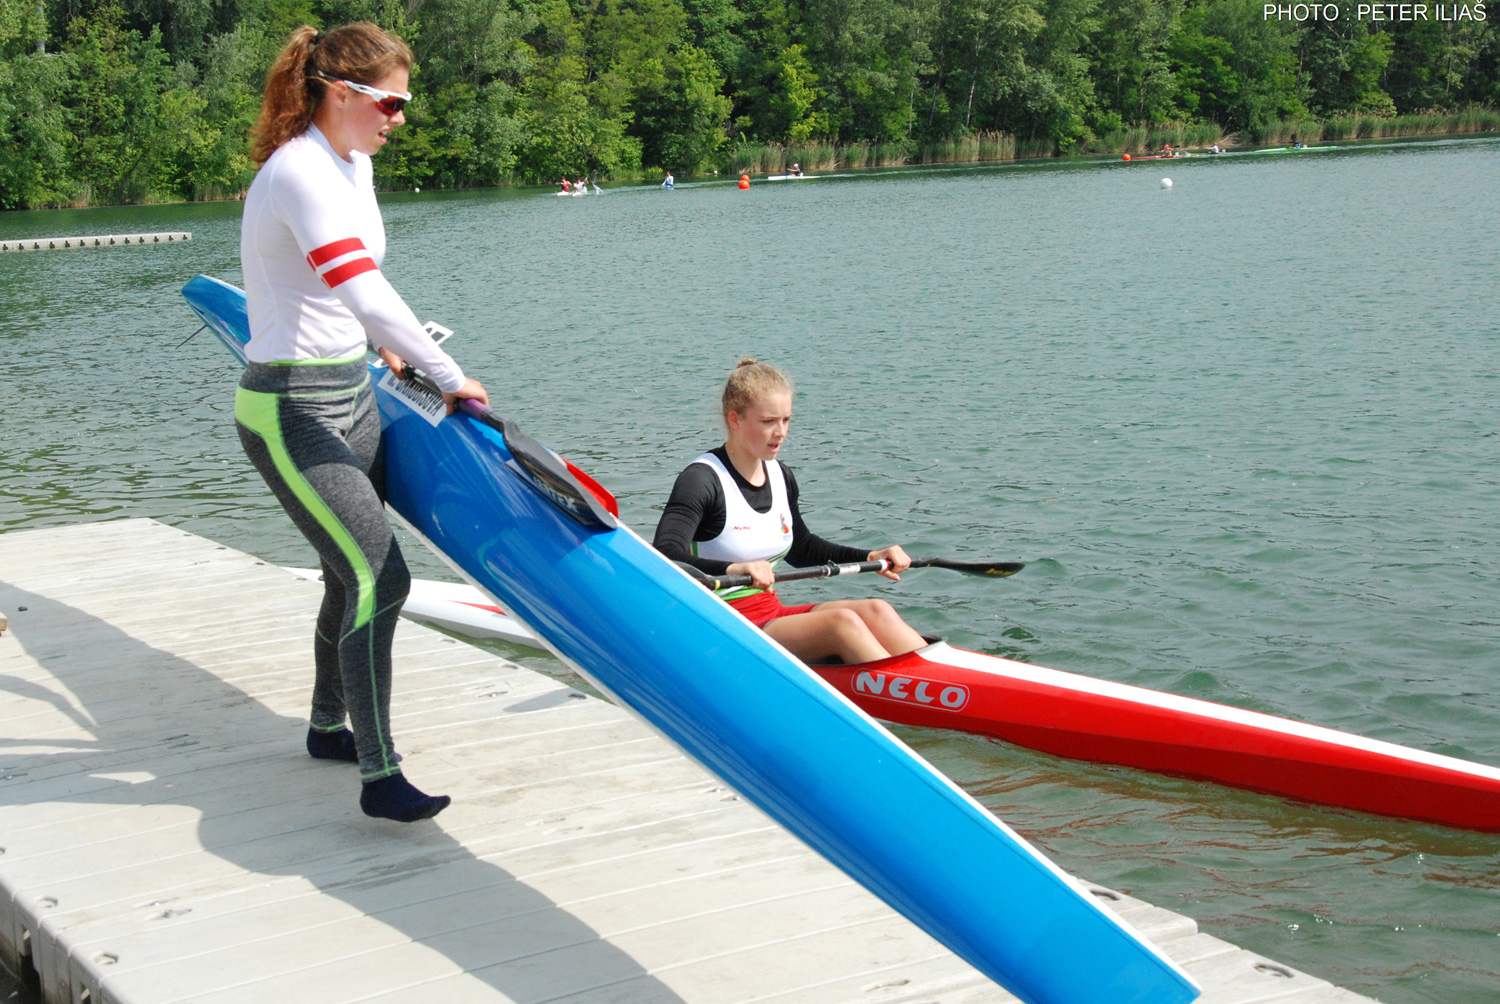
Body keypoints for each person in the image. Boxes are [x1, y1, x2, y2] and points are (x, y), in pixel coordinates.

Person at [239, 22, 488, 822]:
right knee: (382, 577)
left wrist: (398, 357)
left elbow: (364, 292)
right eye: (391, 101)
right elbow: (365, 291)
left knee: (346, 570)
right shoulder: (297, 173)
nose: (401, 117)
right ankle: (380, 776)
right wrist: (453, 379)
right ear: (340, 94)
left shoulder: (355, 164)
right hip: (288, 412)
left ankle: (324, 724)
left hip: (358, 397)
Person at [654, 359, 927, 665]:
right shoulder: (702, 480)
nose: (780, 432)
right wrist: (734, 569)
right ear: (735, 420)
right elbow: (665, 554)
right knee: (842, 624)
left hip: (769, 614)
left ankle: (944, 683)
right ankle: (925, 698)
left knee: (877, 609)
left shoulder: (780, 475)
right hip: (721, 625)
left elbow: (801, 547)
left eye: (786, 420)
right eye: (769, 421)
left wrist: (870, 556)